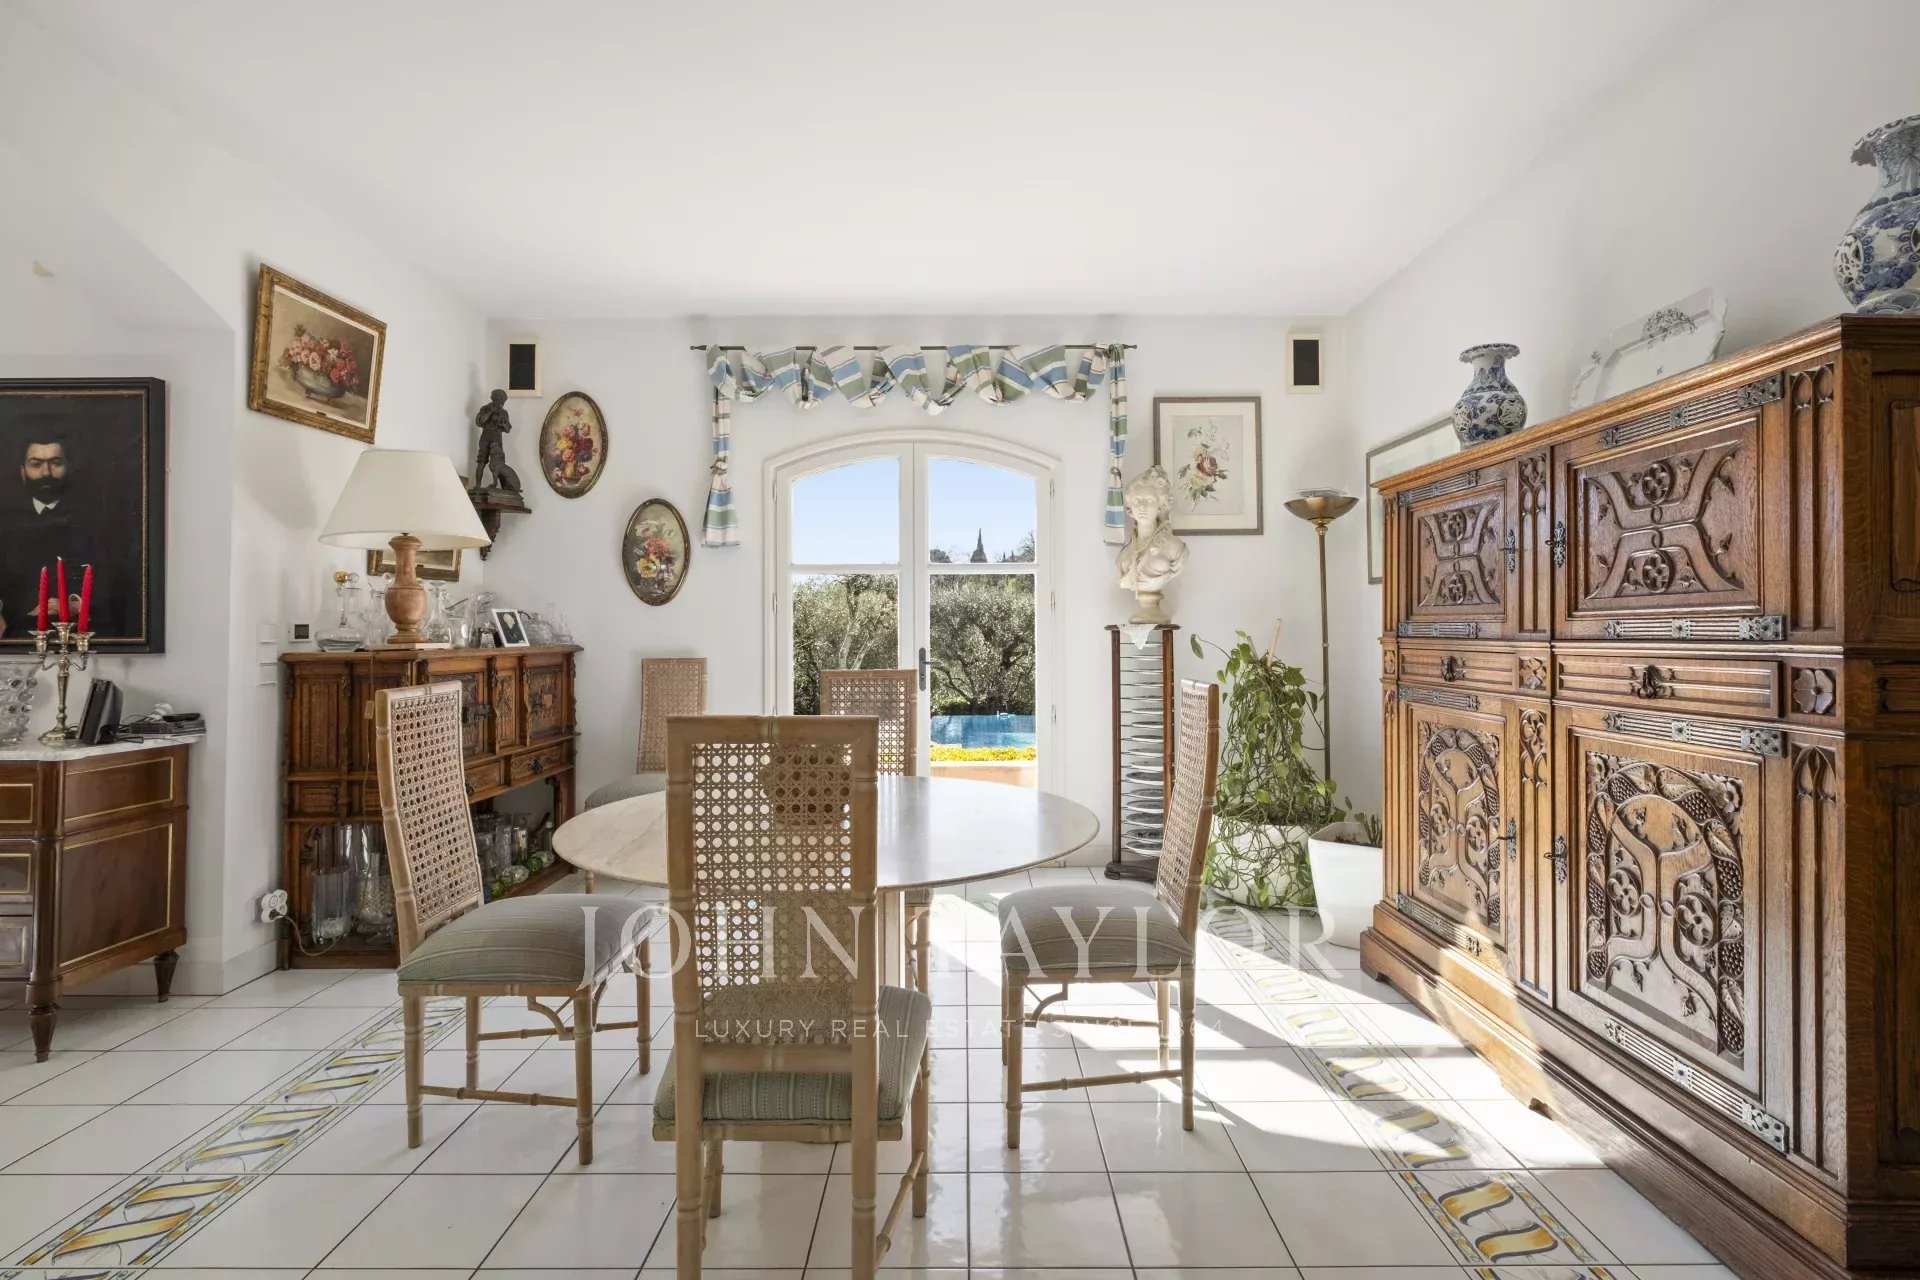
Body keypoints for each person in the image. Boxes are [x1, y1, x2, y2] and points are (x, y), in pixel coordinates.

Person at [0, 428, 133, 642]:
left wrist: (73, 605)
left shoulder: (96, 521)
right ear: (22, 472)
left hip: (82, 635)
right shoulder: (5, 523)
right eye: (36, 464)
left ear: (68, 468)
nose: (46, 473)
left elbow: (114, 583)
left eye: (55, 463)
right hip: (15, 637)